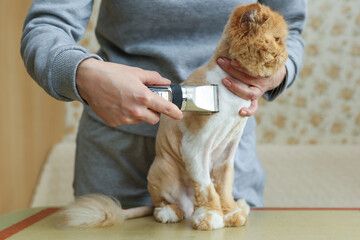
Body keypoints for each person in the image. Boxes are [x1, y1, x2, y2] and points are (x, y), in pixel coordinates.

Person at [21, 0, 306, 207]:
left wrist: (276, 70)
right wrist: (83, 72)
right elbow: (47, 25)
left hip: (225, 157)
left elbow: (290, 27)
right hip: (119, 162)